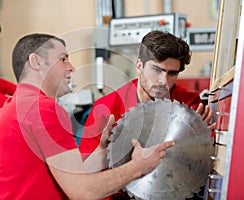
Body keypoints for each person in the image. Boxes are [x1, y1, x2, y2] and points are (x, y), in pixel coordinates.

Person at [0, 33, 175, 199]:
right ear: (36, 62)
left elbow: (70, 175)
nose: (72, 67)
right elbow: (81, 192)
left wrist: (105, 153)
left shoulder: (14, 107)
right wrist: (138, 167)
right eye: (63, 59)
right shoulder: (41, 109)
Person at [79, 30, 214, 199]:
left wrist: (199, 140)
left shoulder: (189, 107)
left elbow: (203, 165)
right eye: (156, 70)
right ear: (139, 66)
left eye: (172, 73)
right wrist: (102, 155)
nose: (163, 81)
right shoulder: (106, 109)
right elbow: (84, 178)